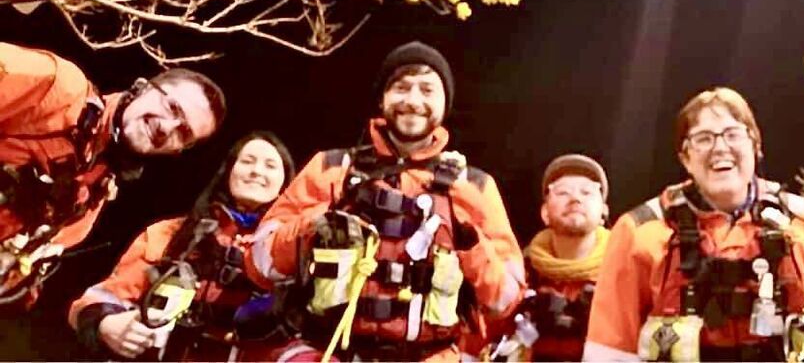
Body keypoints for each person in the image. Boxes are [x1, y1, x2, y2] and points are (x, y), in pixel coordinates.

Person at [245, 41, 525, 361]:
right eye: (401, 87)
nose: (413, 100)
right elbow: (259, 265)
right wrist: (318, 221)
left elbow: (505, 300)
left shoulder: (474, 186)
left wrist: (471, 245)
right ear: (382, 98)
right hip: (329, 350)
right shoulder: (332, 167)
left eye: (427, 90)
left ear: (445, 103)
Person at [583, 86, 804, 362]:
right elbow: (609, 352)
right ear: (685, 158)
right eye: (703, 138)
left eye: (733, 134)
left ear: (755, 146)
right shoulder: (639, 234)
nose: (720, 147)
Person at [0, 41, 224, 304]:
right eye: (172, 107)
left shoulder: (87, 203)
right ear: (142, 87)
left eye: (183, 132)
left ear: (176, 151)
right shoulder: (57, 87)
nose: (167, 127)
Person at [67, 131, 320, 361]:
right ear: (228, 172)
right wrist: (106, 323)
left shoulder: (293, 248)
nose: (257, 171)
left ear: (286, 184)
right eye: (247, 161)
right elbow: (101, 297)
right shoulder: (172, 234)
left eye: (270, 165)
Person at [489, 154, 610, 361]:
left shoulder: (626, 271)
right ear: (545, 213)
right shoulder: (520, 274)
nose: (575, 198)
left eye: (587, 192)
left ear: (603, 213)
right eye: (562, 192)